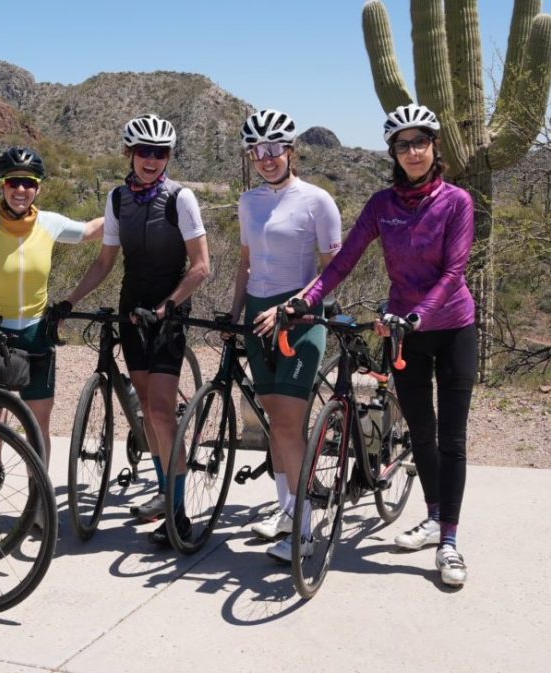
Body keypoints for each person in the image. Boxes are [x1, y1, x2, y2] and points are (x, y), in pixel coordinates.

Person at [300, 104, 476, 587]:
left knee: (451, 439)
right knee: (421, 431)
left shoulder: (457, 201)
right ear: (393, 153)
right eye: (403, 145)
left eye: (420, 142)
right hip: (404, 332)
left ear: (434, 146)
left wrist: (419, 315)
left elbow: (454, 272)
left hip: (453, 328)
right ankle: (433, 516)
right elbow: (344, 260)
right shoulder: (383, 205)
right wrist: (306, 298)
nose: (413, 152)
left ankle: (449, 541)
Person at [59, 113, 209, 546]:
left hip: (169, 310)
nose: (152, 160)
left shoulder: (180, 198)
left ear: (169, 157)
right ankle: (165, 492)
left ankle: (178, 515)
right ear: (130, 153)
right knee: (145, 407)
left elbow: (201, 267)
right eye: (144, 151)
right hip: (132, 311)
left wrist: (165, 308)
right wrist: (70, 301)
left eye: (160, 153)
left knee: (161, 411)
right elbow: (105, 262)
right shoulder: (118, 199)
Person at [0, 146, 102, 468]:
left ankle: (39, 496)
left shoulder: (50, 223)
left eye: (29, 182)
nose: (20, 189)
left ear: (39, 187)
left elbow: (90, 231)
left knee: (38, 424)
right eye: (13, 182)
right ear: (2, 185)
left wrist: (128, 207)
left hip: (36, 332)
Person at [229, 109, 342, 563]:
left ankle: (304, 530)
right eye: (257, 151)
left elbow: (333, 270)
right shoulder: (248, 201)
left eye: (274, 148)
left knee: (290, 426)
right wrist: (234, 314)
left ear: (291, 151)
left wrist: (295, 306)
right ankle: (287, 511)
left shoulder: (317, 200)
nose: (266, 157)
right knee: (274, 422)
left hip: (300, 318)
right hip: (257, 316)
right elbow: (245, 262)